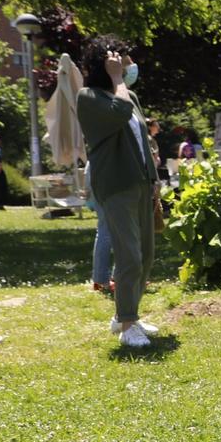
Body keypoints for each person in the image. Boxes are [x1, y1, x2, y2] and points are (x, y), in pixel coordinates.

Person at [76, 42, 160, 349]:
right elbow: (120, 112)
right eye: (122, 58)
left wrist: (154, 178)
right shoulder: (88, 97)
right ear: (106, 63)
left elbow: (142, 140)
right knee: (129, 255)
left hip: (140, 182)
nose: (129, 63)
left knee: (146, 254)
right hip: (115, 184)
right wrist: (118, 80)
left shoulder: (131, 95)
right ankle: (127, 325)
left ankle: (128, 316)